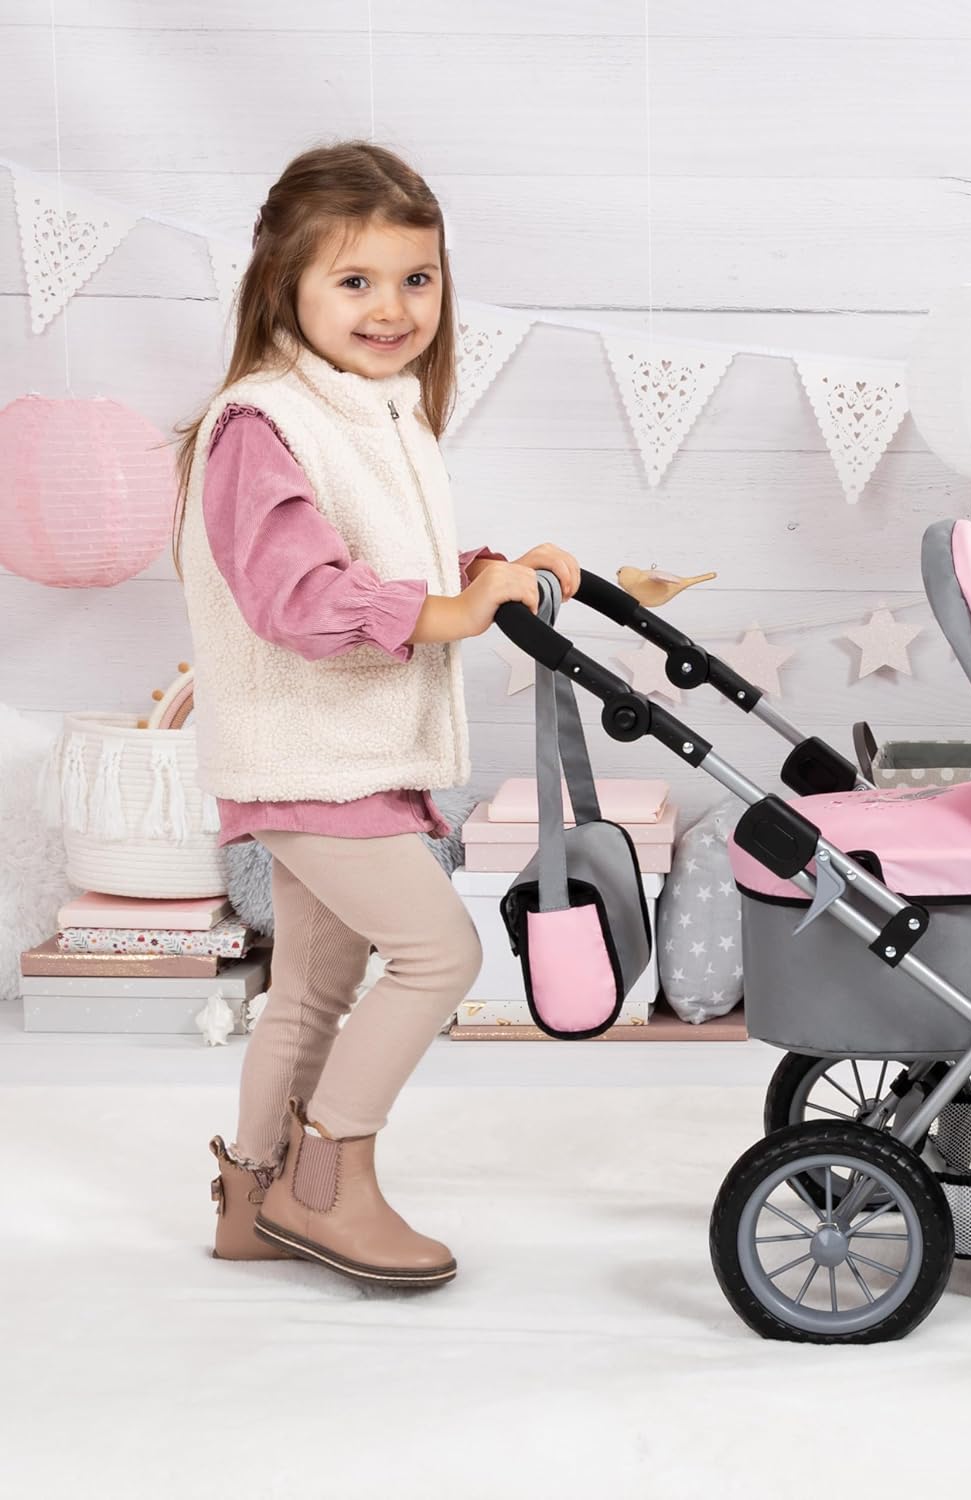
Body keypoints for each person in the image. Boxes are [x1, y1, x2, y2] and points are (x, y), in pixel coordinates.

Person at [174, 140, 580, 1289]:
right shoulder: (262, 424)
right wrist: (453, 610)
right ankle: (329, 1182)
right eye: (355, 280)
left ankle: (253, 1200)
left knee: (311, 989)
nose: (393, 308)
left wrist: (489, 575)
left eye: (417, 278)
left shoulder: (377, 413)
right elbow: (298, 598)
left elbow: (380, 564)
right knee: (439, 954)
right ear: (285, 285)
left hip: (343, 755)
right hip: (309, 755)